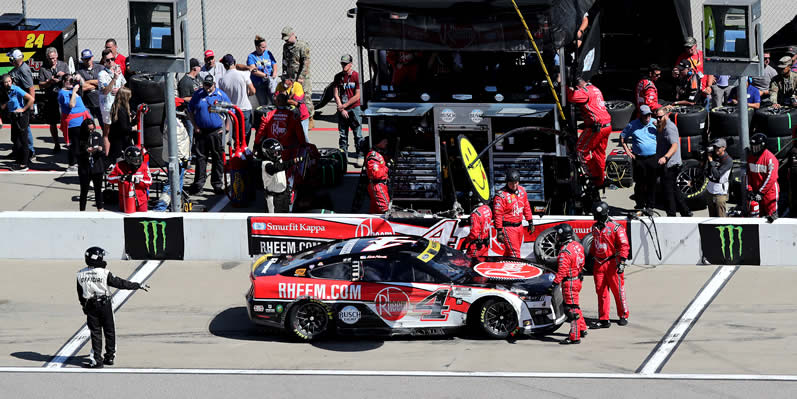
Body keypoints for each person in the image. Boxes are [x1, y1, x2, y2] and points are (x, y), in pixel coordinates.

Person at [77, 246, 149, 368]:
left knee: (95, 333)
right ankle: (109, 357)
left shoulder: (80, 274)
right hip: (105, 305)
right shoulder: (104, 273)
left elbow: (80, 294)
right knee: (109, 331)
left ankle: (97, 360)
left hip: (90, 306)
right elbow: (120, 283)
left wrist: (84, 307)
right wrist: (137, 285)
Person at [187, 74, 231, 195]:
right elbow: (190, 110)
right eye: (205, 84)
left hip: (216, 132)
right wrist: (195, 126)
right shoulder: (198, 94)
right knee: (201, 159)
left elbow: (231, 111)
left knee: (218, 158)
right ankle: (198, 185)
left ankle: (217, 184)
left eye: (209, 85)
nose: (207, 87)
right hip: (201, 132)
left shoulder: (221, 95)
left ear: (214, 85)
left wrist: (226, 128)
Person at [589, 201, 629, 329]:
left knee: (618, 291)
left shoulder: (616, 228)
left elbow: (624, 246)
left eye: (598, 215)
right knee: (601, 292)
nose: (596, 218)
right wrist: (590, 259)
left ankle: (623, 315)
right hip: (598, 264)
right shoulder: (594, 228)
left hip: (613, 263)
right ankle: (604, 319)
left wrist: (622, 262)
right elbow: (593, 246)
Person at [567, 76, 612, 187]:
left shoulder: (583, 92)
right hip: (607, 125)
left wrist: (566, 88)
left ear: (578, 86)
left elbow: (570, 97)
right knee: (599, 154)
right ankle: (601, 179)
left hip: (596, 127)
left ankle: (592, 176)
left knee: (581, 150)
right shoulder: (595, 88)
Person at [551, 223, 587, 345]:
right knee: (575, 305)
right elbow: (582, 262)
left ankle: (574, 336)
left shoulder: (564, 252)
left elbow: (562, 271)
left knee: (571, 310)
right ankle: (582, 328)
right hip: (577, 279)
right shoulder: (578, 245)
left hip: (570, 282)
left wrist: (553, 284)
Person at [655, 106, 692, 217]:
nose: (657, 119)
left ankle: (671, 215)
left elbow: (674, 145)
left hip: (670, 165)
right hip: (668, 165)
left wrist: (665, 157)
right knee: (674, 190)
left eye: (660, 117)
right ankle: (686, 212)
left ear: (666, 116)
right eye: (656, 117)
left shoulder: (669, 128)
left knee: (668, 192)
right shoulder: (662, 125)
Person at [621, 105, 658, 210]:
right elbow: (623, 137)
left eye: (649, 115)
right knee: (640, 183)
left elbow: (666, 134)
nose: (648, 118)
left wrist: (659, 126)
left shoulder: (655, 122)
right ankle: (640, 205)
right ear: (641, 115)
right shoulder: (633, 125)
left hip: (653, 157)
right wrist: (627, 151)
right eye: (645, 116)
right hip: (639, 159)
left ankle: (651, 206)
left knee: (652, 183)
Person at [493, 168, 534, 258]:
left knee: (510, 252)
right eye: (511, 183)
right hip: (508, 228)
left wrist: (530, 221)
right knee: (515, 254)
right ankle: (516, 270)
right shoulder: (501, 195)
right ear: (507, 182)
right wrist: (499, 231)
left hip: (519, 226)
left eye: (516, 182)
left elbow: (526, 207)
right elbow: (498, 215)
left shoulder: (522, 191)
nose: (514, 185)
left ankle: (503, 268)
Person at [254, 93, 306, 164]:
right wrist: (303, 145)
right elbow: (300, 134)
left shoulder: (268, 115)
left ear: (277, 102)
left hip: (272, 152)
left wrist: (256, 145)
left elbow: (260, 133)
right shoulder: (293, 116)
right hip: (289, 151)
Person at [218, 54, 255, 145]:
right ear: (234, 62)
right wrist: (247, 94)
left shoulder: (222, 80)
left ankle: (236, 149)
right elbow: (253, 90)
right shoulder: (243, 74)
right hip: (245, 108)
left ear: (224, 65)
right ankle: (243, 152)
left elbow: (222, 97)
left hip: (232, 110)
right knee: (245, 134)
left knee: (236, 134)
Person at [334, 54, 364, 166]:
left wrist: (345, 105)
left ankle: (360, 155)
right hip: (343, 109)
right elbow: (336, 94)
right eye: (342, 63)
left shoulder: (356, 76)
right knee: (343, 135)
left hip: (354, 108)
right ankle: (343, 156)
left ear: (351, 64)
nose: (344, 65)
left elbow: (357, 95)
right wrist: (341, 108)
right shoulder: (338, 77)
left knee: (358, 133)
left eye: (346, 64)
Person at [58, 73, 92, 171]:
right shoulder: (63, 93)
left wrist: (79, 78)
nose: (71, 82)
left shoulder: (72, 89)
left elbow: (83, 84)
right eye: (69, 80)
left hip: (82, 119)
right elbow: (71, 105)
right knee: (75, 144)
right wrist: (73, 92)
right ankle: (72, 164)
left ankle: (81, 161)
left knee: (83, 143)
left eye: (72, 80)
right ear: (64, 82)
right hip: (73, 122)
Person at [38, 47, 69, 153]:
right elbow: (40, 85)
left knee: (66, 121)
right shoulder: (43, 68)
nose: (52, 61)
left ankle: (68, 142)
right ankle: (56, 144)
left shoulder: (63, 65)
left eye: (54, 58)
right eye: (50, 58)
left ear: (57, 56)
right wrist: (49, 82)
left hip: (63, 97)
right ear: (47, 58)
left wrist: (64, 76)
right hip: (50, 98)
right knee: (52, 123)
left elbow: (70, 80)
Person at [1, 73, 34, 171]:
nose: (8, 84)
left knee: (23, 139)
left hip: (21, 116)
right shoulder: (4, 91)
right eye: (5, 82)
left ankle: (24, 164)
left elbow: (31, 99)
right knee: (15, 139)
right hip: (13, 116)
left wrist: (23, 109)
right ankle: (19, 160)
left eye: (9, 81)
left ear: (11, 81)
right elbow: (3, 106)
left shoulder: (16, 89)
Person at [260, 138, 303, 213]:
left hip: (284, 194)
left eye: (278, 152)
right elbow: (278, 167)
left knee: (285, 218)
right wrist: (294, 161)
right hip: (274, 198)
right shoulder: (266, 165)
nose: (277, 154)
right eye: (274, 152)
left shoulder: (279, 160)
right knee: (274, 220)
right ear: (267, 152)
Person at [282, 26, 313, 127]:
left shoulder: (302, 46)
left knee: (305, 97)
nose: (286, 41)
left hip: (302, 77)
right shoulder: (286, 47)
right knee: (292, 97)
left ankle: (309, 118)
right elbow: (284, 61)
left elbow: (306, 62)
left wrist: (301, 77)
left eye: (287, 38)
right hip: (291, 77)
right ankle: (295, 118)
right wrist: (285, 75)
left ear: (292, 35)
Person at [7, 49, 36, 159]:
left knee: (24, 128)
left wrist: (31, 106)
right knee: (16, 129)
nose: (10, 60)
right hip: (15, 104)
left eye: (12, 58)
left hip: (23, 104)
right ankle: (17, 150)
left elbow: (31, 88)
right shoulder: (16, 69)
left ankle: (30, 151)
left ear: (16, 59)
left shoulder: (24, 70)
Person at [98, 49, 127, 154]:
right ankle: (107, 157)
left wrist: (119, 90)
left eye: (112, 59)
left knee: (120, 130)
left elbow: (123, 84)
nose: (110, 62)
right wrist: (114, 79)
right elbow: (105, 91)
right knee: (107, 132)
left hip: (119, 105)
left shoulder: (118, 69)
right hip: (108, 106)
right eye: (108, 60)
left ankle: (118, 152)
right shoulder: (102, 74)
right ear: (104, 61)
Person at [107, 146, 152, 213]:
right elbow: (109, 178)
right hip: (125, 200)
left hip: (141, 200)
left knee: (141, 219)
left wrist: (137, 180)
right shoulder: (119, 165)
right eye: (134, 160)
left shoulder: (144, 166)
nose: (137, 161)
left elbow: (149, 181)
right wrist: (120, 177)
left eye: (138, 159)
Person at [747, 133, 780, 219]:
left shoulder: (770, 158)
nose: (754, 149)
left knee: (771, 217)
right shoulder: (750, 158)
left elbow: (771, 178)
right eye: (753, 147)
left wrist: (761, 192)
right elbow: (748, 175)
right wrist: (750, 190)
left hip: (770, 193)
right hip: (756, 192)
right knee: (756, 216)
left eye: (757, 147)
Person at [76, 119, 105, 211]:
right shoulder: (80, 138)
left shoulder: (97, 135)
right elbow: (76, 152)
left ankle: (99, 209)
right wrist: (86, 151)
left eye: (93, 129)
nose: (91, 131)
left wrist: (100, 149)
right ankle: (82, 210)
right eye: (89, 130)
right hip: (85, 167)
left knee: (98, 190)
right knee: (84, 191)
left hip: (97, 166)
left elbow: (103, 150)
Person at [275, 74, 311, 143]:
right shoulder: (280, 85)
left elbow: (296, 103)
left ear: (290, 81)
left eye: (284, 80)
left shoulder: (297, 86)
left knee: (304, 137)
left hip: (301, 116)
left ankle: (308, 151)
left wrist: (283, 99)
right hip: (288, 117)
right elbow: (276, 99)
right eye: (281, 80)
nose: (282, 82)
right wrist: (287, 99)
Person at [675, 36, 712, 104]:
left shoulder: (703, 55)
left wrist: (709, 86)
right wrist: (676, 73)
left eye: (690, 47)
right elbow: (676, 72)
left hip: (704, 90)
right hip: (689, 90)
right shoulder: (682, 57)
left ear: (695, 45)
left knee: (705, 110)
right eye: (687, 47)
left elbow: (710, 71)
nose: (689, 49)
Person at [76, 49, 105, 129]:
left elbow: (103, 82)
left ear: (92, 57)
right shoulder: (79, 71)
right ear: (82, 59)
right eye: (85, 59)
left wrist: (89, 81)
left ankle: (105, 140)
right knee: (90, 126)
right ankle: (91, 140)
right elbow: (83, 87)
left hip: (100, 102)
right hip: (87, 103)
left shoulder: (100, 68)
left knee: (104, 124)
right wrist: (96, 84)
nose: (87, 60)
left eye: (89, 58)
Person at [247, 35, 278, 107]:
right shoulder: (251, 57)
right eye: (263, 47)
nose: (265, 49)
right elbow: (253, 70)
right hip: (259, 83)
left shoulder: (268, 53)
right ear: (257, 47)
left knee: (275, 100)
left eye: (265, 46)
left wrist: (274, 73)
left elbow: (274, 64)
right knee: (263, 103)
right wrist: (265, 75)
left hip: (270, 81)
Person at [705, 138, 732, 217]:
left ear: (724, 148)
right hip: (710, 189)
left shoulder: (728, 160)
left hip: (720, 192)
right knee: (711, 216)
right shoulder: (713, 156)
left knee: (720, 218)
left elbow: (717, 175)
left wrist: (711, 161)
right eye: (715, 147)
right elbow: (706, 172)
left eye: (718, 147)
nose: (716, 149)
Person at [109, 88, 136, 163]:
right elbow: (124, 127)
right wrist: (133, 128)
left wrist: (129, 118)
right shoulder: (121, 110)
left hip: (117, 137)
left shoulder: (117, 107)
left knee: (114, 156)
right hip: (120, 138)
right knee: (117, 157)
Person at [365, 136, 391, 214]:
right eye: (384, 141)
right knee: (385, 210)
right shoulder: (373, 156)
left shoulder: (379, 153)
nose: (386, 143)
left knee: (375, 210)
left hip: (379, 185)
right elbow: (375, 174)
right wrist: (387, 167)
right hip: (378, 186)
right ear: (378, 143)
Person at [178, 58, 202, 136]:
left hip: (200, 112)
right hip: (190, 115)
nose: (200, 68)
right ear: (194, 68)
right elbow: (183, 98)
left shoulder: (198, 77)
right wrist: (198, 98)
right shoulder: (185, 81)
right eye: (199, 66)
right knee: (190, 136)